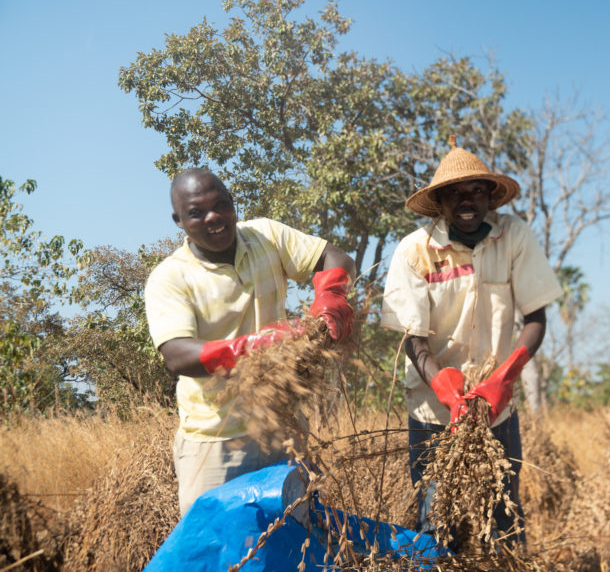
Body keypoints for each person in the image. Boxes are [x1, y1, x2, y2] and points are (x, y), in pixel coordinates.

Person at [381, 136, 563, 546]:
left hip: (495, 409)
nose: (467, 201)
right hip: (434, 413)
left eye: (477, 191)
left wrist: (503, 378)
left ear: (491, 198)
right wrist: (444, 386)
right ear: (441, 202)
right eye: (456, 194)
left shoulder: (514, 237)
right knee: (434, 520)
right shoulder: (415, 251)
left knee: (503, 516)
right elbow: (414, 336)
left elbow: (535, 317)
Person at [145, 167, 356, 516]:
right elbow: (177, 355)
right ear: (178, 220)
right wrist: (257, 347)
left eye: (220, 205)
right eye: (196, 212)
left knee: (292, 539)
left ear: (232, 204)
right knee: (215, 551)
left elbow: (335, 257)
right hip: (216, 441)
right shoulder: (170, 278)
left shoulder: (266, 236)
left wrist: (331, 295)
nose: (213, 218)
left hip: (282, 428)